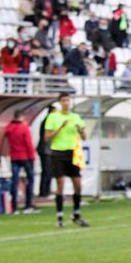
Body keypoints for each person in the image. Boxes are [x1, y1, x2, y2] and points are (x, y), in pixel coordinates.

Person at [44, 94, 90, 228]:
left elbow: (85, 137)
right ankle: (59, 216)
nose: (66, 103)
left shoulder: (75, 117)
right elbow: (47, 137)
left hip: (73, 153)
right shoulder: (53, 117)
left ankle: (76, 214)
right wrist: (60, 127)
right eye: (63, 100)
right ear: (59, 102)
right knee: (61, 184)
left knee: (78, 184)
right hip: (58, 152)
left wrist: (81, 131)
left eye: (68, 100)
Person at [3, 111, 39, 214]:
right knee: (30, 179)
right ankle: (28, 205)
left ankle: (14, 206)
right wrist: (32, 156)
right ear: (21, 117)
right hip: (25, 157)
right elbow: (28, 143)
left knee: (14, 181)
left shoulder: (9, 128)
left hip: (14, 156)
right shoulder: (24, 128)